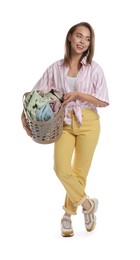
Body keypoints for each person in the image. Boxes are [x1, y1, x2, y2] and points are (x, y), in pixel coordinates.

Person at [21, 22, 109, 237]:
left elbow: (104, 101)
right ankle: (88, 206)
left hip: (89, 122)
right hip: (64, 123)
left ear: (90, 44)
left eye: (87, 39)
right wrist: (24, 115)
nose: (82, 42)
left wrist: (79, 95)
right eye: (79, 36)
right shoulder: (55, 68)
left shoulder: (94, 68)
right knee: (61, 168)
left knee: (79, 173)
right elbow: (35, 94)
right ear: (70, 37)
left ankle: (68, 216)